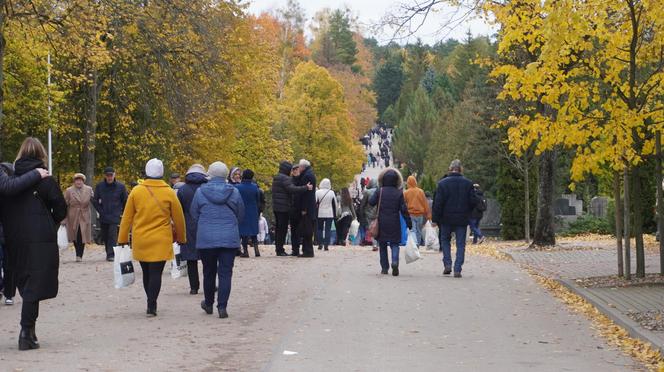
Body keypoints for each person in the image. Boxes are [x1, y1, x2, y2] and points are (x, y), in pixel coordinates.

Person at [0, 137, 67, 350]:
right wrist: (49, 223)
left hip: (14, 237)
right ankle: (26, 332)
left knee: (25, 281)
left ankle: (29, 331)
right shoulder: (45, 179)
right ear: (41, 155)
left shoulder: (9, 180)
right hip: (39, 239)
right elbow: (61, 209)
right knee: (33, 287)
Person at [118, 159, 186, 316]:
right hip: (161, 239)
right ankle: (152, 304)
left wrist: (122, 238)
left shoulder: (136, 191)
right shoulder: (169, 191)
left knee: (146, 272)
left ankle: (150, 300)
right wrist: (181, 237)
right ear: (162, 173)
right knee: (156, 273)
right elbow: (179, 218)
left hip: (141, 238)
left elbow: (127, 217)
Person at [190, 162, 244, 319]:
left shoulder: (200, 192)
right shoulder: (234, 192)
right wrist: (231, 225)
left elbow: (194, 213)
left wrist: (204, 224)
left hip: (206, 238)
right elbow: (240, 214)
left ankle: (208, 303)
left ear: (210, 174)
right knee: (225, 273)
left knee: (208, 272)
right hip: (229, 238)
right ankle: (222, 307)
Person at [0, 161, 47, 305]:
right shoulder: (10, 185)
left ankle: (9, 293)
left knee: (10, 264)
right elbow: (9, 187)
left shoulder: (14, 186)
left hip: (9, 229)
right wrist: (35, 173)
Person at [432, 160, 477, 278]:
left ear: (450, 169)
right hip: (462, 219)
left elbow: (438, 203)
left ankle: (447, 264)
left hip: (446, 218)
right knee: (461, 244)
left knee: (445, 241)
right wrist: (468, 212)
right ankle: (457, 269)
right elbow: (473, 201)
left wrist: (435, 219)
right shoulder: (468, 183)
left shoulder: (442, 184)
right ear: (460, 169)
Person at [369, 168, 411, 276]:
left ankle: (384, 268)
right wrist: (409, 222)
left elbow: (371, 202)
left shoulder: (380, 191)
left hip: (382, 222)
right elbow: (403, 209)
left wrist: (377, 191)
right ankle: (395, 262)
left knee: (382, 245)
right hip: (394, 221)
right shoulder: (398, 193)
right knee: (395, 243)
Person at [176, 164, 208, 295]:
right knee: (208, 258)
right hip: (205, 224)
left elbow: (179, 210)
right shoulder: (206, 188)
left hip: (188, 225)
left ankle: (194, 287)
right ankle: (209, 284)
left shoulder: (183, 190)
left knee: (191, 258)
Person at [271, 161, 311, 256]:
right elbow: (292, 189)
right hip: (284, 207)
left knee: (278, 229)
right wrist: (305, 187)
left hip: (276, 207)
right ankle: (280, 250)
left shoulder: (277, 177)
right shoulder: (285, 178)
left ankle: (278, 248)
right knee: (282, 229)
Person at [93, 167, 128, 261]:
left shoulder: (121, 187)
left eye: (111, 175)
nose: (109, 177)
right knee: (105, 235)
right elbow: (95, 200)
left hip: (115, 215)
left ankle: (111, 254)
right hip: (104, 215)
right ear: (105, 176)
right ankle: (108, 251)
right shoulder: (100, 186)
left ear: (114, 175)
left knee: (112, 235)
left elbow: (125, 201)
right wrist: (100, 211)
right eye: (108, 175)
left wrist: (123, 212)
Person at [64, 173, 94, 262]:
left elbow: (94, 200)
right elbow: (64, 204)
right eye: (77, 180)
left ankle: (79, 255)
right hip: (73, 215)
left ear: (83, 181)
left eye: (80, 180)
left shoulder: (89, 189)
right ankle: (78, 252)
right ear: (74, 181)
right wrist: (63, 218)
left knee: (82, 234)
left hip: (84, 214)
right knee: (75, 234)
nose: (79, 182)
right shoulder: (69, 190)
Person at [235, 169, 261, 258]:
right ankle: (256, 250)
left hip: (242, 211)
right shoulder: (255, 187)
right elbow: (258, 199)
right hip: (253, 210)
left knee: (243, 232)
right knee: (253, 231)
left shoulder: (238, 187)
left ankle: (245, 251)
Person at [297, 159, 317, 257]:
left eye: (299, 167)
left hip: (307, 207)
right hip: (310, 206)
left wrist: (304, 208)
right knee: (307, 229)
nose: (298, 169)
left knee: (307, 229)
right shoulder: (309, 174)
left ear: (303, 167)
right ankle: (306, 250)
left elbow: (306, 195)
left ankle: (308, 250)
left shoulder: (307, 176)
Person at [404, 176, 431, 246]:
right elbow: (425, 203)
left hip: (411, 214)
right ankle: (417, 244)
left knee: (413, 230)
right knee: (419, 230)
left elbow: (403, 204)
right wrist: (428, 215)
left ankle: (414, 244)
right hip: (420, 215)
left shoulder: (406, 192)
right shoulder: (420, 191)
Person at [315, 178, 337, 251]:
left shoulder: (317, 192)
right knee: (328, 229)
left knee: (319, 229)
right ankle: (326, 245)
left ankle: (320, 244)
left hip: (320, 212)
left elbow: (315, 203)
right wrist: (335, 214)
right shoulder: (331, 192)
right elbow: (335, 204)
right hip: (329, 213)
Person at [359, 178, 379, 251]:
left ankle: (374, 244)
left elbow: (363, 204)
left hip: (368, 213)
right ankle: (376, 243)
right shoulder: (379, 191)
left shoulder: (367, 192)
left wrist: (361, 213)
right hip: (377, 213)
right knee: (376, 228)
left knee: (371, 229)